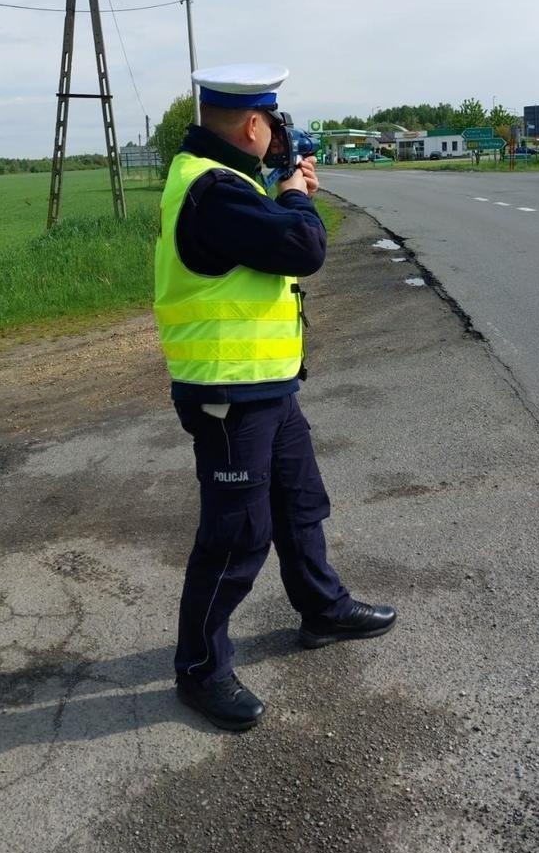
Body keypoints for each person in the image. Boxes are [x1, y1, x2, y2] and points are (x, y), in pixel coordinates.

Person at [154, 63, 396, 732]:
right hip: (228, 394)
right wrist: (294, 194)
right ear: (255, 124)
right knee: (236, 534)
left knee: (299, 501)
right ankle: (199, 668)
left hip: (265, 388)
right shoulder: (213, 192)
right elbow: (302, 244)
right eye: (275, 125)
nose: (278, 137)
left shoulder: (225, 182)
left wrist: (279, 187)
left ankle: (321, 608)